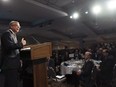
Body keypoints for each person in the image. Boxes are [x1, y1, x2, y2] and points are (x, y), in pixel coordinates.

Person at [1, 21, 26, 87]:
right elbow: (9, 46)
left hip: (14, 65)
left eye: (19, 26)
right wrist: (21, 44)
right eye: (17, 25)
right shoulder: (7, 34)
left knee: (14, 83)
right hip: (9, 65)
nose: (19, 27)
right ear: (11, 26)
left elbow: (14, 49)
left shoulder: (13, 35)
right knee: (10, 84)